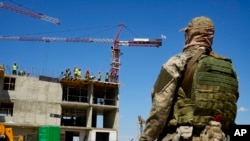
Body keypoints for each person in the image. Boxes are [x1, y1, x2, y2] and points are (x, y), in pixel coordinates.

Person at [139, 16, 239, 141]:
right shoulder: (229, 68)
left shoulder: (178, 61)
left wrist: (146, 138)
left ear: (190, 34)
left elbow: (160, 108)